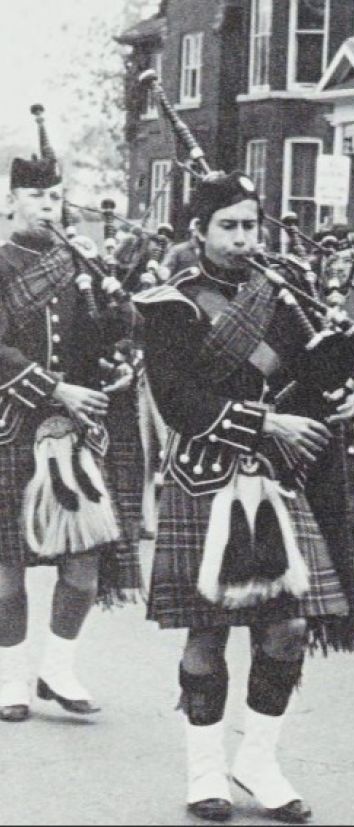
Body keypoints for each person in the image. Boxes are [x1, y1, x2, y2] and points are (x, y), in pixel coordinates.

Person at [136, 172, 354, 823]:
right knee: (208, 631)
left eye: (250, 225)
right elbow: (178, 402)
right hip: (204, 479)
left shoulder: (282, 293)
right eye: (228, 226)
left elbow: (306, 379)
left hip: (274, 480)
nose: (242, 238)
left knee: (288, 627)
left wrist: (343, 393)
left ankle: (258, 760)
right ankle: (205, 770)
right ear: (199, 231)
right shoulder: (171, 304)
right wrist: (265, 423)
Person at [0, 154, 143, 724]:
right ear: (11, 201)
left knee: (83, 567)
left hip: (72, 435)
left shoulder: (78, 262)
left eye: (55, 197)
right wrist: (56, 389)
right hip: (12, 429)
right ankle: (9, 678)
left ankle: (58, 669)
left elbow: (103, 341)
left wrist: (117, 310)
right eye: (37, 196)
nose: (47, 206)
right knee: (6, 575)